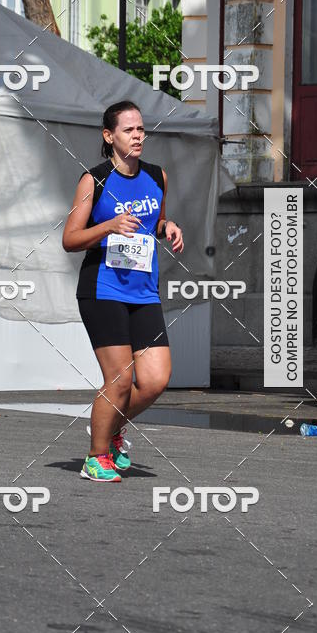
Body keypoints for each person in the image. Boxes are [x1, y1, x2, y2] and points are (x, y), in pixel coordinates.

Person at [62, 100, 184, 482]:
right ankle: (96, 457)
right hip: (103, 289)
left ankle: (110, 426)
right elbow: (70, 238)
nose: (137, 136)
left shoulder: (157, 176)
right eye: (129, 130)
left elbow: (155, 220)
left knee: (155, 379)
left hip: (143, 291)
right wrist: (108, 226)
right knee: (120, 380)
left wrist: (167, 227)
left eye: (141, 129)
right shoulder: (94, 180)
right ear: (109, 135)